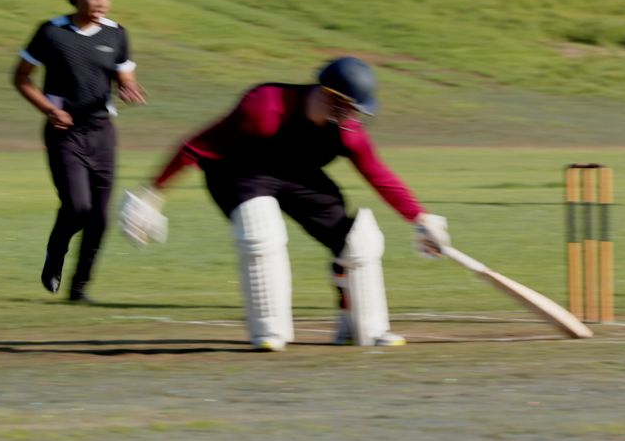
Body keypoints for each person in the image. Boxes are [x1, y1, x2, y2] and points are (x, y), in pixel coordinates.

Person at [120, 57, 450, 351]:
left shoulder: (347, 132)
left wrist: (420, 219)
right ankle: (269, 332)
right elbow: (196, 147)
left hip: (298, 173)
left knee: (359, 241)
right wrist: (152, 195)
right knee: (262, 232)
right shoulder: (264, 106)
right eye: (349, 106)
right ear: (329, 95)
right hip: (238, 172)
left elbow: (378, 174)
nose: (352, 116)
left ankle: (365, 328)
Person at [13, 0, 146, 303]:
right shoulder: (52, 32)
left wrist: (127, 87)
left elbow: (124, 74)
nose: (100, 3)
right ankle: (56, 251)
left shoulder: (116, 33)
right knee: (78, 206)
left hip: (102, 133)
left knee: (99, 218)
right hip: (64, 132)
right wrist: (49, 110)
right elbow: (21, 77)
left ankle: (79, 288)